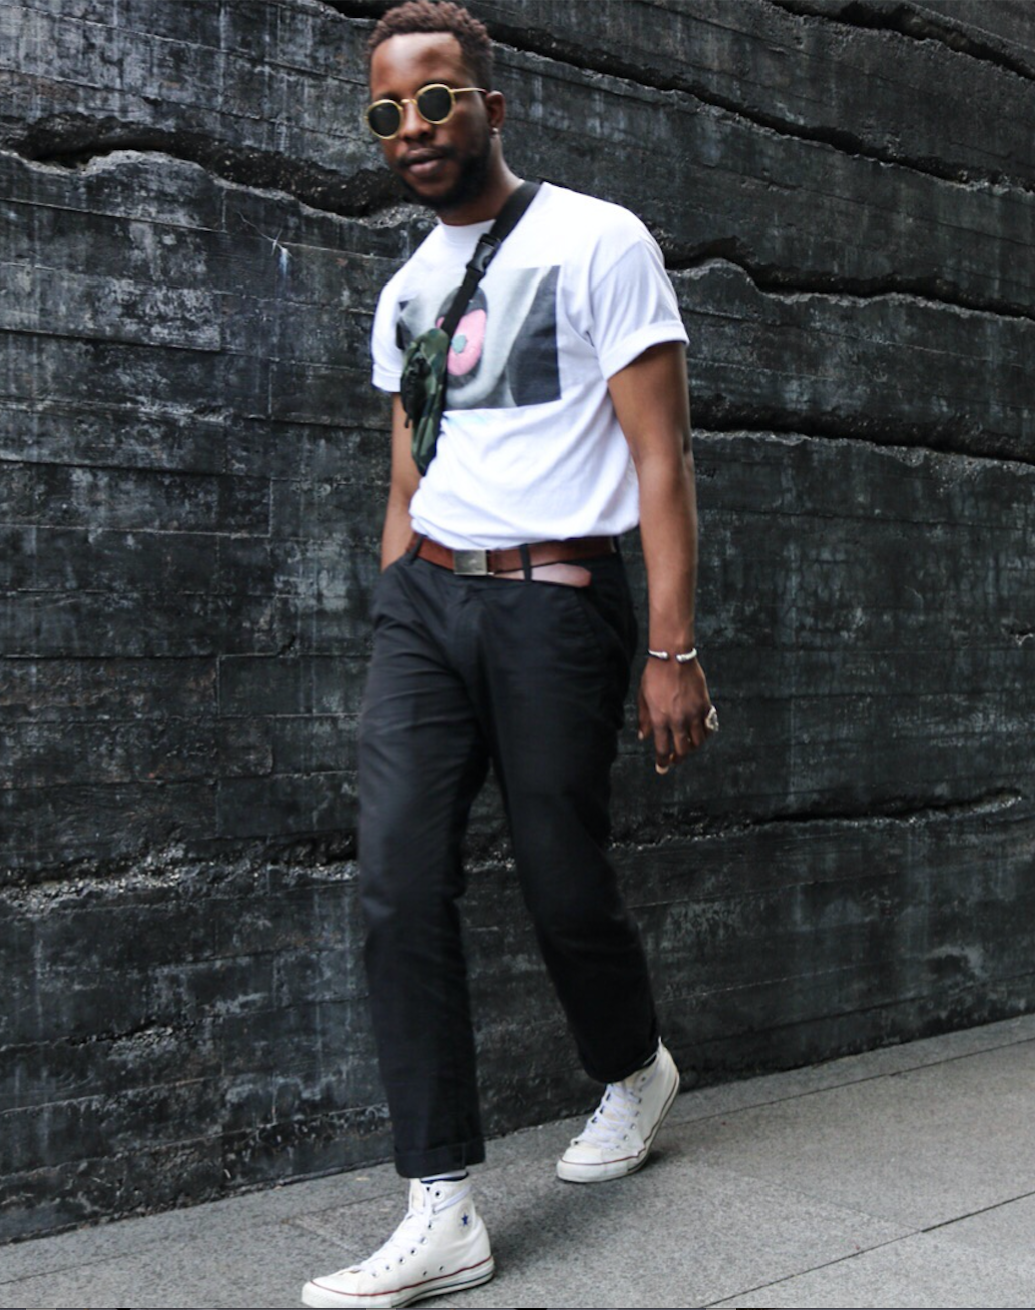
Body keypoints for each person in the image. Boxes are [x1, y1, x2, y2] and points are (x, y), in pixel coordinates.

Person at [302, 3, 716, 1305]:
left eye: (436, 100)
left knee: (559, 873)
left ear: (491, 105)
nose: (413, 128)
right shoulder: (406, 291)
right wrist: (396, 596)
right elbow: (408, 470)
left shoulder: (598, 240)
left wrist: (672, 646)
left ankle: (634, 1064)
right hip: (427, 601)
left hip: (557, 599)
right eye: (388, 112)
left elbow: (661, 459)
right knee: (395, 880)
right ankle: (440, 1205)